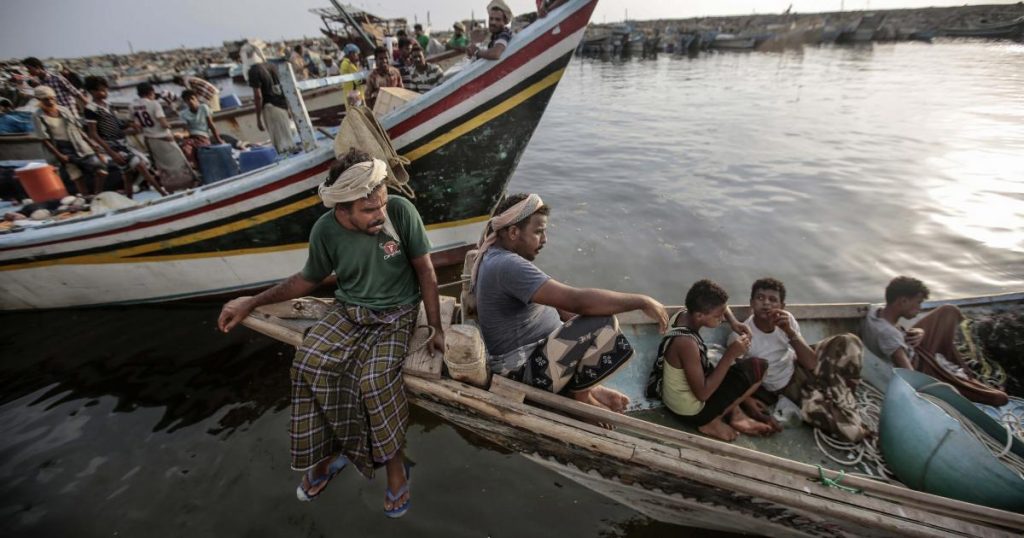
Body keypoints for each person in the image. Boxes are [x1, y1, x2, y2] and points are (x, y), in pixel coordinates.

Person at [218, 149, 444, 518]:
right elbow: (306, 279)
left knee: (375, 381)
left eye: (382, 203)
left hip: (398, 313)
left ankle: (395, 465)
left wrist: (434, 326)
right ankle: (329, 454)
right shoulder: (324, 230)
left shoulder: (401, 211)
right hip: (349, 310)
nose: (380, 214)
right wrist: (251, 302)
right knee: (310, 363)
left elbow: (426, 271)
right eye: (370, 210)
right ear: (342, 210)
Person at [472, 192, 669, 417]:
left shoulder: (500, 256)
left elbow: (565, 306)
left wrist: (575, 317)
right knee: (602, 319)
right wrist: (640, 301)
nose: (545, 239)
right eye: (538, 232)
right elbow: (577, 301)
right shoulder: (506, 265)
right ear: (514, 232)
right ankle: (581, 398)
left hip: (536, 354)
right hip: (523, 371)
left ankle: (589, 388)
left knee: (587, 313)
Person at [732, 278, 868, 442]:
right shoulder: (742, 336)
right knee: (852, 432)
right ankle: (833, 397)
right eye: (760, 298)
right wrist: (747, 400)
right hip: (788, 386)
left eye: (773, 300)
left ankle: (843, 396)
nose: (766, 304)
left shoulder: (786, 320)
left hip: (798, 362)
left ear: (782, 306)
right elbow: (733, 376)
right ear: (751, 303)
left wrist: (790, 332)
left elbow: (811, 364)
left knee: (850, 342)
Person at [647, 280, 773, 442]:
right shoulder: (687, 344)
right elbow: (702, 394)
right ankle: (710, 421)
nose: (722, 318)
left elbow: (722, 306)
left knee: (714, 361)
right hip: (691, 412)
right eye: (718, 316)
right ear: (700, 316)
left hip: (672, 399)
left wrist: (733, 322)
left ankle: (735, 413)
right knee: (759, 367)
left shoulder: (683, 314)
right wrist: (730, 354)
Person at [861, 276, 1008, 407]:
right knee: (999, 398)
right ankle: (962, 377)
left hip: (915, 348)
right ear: (903, 301)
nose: (920, 308)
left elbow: (893, 334)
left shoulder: (876, 312)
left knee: (948, 311)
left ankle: (963, 373)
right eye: (918, 303)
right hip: (925, 368)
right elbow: (911, 377)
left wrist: (920, 332)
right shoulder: (889, 335)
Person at [82, 76, 166, 197]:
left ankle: (129, 199)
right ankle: (163, 193)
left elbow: (117, 124)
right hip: (112, 145)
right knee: (140, 164)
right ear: (92, 92)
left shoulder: (107, 105)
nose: (105, 93)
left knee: (127, 175)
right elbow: (93, 134)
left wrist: (131, 124)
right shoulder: (91, 109)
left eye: (105, 90)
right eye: (101, 90)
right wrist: (111, 153)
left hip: (122, 142)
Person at [32, 85, 108, 196]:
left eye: (52, 98)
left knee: (101, 169)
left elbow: (78, 128)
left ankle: (98, 193)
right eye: (46, 99)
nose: (50, 101)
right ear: (39, 100)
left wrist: (91, 143)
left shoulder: (64, 110)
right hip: (62, 148)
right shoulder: (38, 116)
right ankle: (85, 197)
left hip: (77, 143)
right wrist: (59, 155)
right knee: (76, 175)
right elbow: (44, 139)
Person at [133, 82, 195, 191]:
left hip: (150, 140)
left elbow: (136, 125)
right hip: (164, 137)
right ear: (151, 92)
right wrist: (170, 126)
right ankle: (188, 184)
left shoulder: (132, 106)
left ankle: (170, 187)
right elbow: (163, 123)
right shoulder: (154, 104)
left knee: (162, 166)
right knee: (179, 162)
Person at [248, 60, 297, 154]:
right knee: (289, 141)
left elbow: (258, 96)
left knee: (281, 146)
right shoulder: (272, 66)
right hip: (282, 106)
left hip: (270, 108)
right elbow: (285, 88)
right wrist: (289, 108)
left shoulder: (254, 70)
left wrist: (258, 119)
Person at [22, 57, 86, 115]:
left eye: (29, 68)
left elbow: (75, 91)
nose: (28, 71)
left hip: (69, 111)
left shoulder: (56, 78)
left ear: (37, 67)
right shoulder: (39, 83)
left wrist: (87, 104)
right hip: (55, 114)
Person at [178, 89, 223, 169]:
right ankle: (195, 167)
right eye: (187, 100)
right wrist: (181, 135)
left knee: (202, 148)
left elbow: (211, 125)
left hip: (203, 137)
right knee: (185, 147)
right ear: (185, 102)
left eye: (192, 98)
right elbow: (186, 131)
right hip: (191, 137)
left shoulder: (203, 108)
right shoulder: (183, 114)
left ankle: (200, 166)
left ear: (196, 98)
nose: (191, 101)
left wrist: (219, 139)